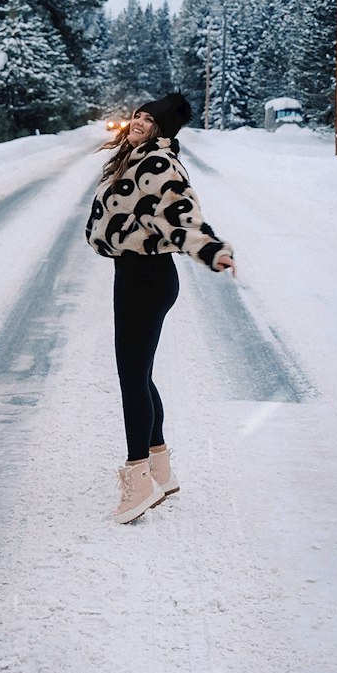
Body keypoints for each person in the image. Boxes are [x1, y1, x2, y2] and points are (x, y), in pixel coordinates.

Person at [85, 92, 236, 523]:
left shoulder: (160, 165)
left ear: (162, 129)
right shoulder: (133, 157)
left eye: (148, 120)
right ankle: (161, 472)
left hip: (146, 279)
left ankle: (137, 483)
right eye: (138, 114)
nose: (138, 122)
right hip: (134, 276)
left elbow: (183, 217)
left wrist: (211, 251)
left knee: (131, 380)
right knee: (138, 375)